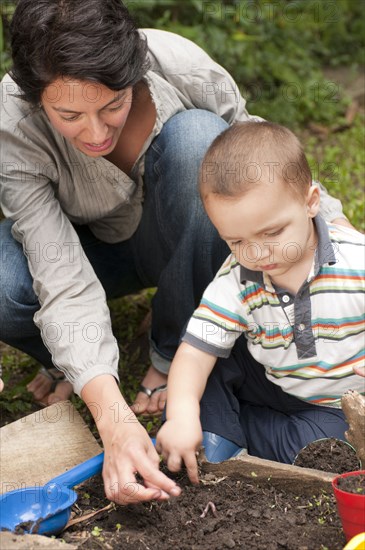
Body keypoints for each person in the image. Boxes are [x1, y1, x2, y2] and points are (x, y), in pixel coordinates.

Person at [0, 0, 353, 503]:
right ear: (38, 101)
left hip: (182, 237)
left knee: (200, 143)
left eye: (113, 106)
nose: (96, 133)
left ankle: (172, 351)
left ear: (135, 74)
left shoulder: (180, 67)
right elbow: (61, 275)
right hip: (86, 254)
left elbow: (262, 159)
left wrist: (339, 241)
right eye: (70, 115)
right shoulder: (11, 125)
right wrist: (114, 419)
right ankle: (73, 365)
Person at [156, 121, 365, 483]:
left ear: (311, 202)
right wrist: (181, 414)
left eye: (272, 233)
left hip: (335, 402)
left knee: (332, 455)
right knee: (206, 367)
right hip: (268, 374)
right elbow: (194, 353)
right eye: (236, 241)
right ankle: (207, 433)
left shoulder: (355, 263)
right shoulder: (238, 276)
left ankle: (232, 435)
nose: (256, 253)